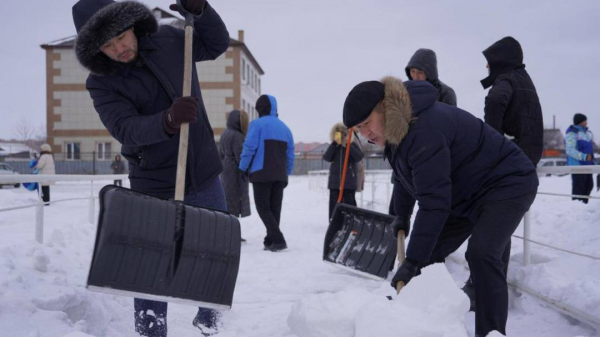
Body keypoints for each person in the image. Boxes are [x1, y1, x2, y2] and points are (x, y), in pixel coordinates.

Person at [71, 0, 230, 335]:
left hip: (202, 172)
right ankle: (151, 328)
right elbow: (125, 128)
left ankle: (209, 316)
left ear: (131, 24)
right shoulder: (101, 82)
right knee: (149, 266)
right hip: (152, 182)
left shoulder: (173, 40)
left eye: (121, 37)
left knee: (215, 253)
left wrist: (200, 12)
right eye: (107, 45)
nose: (119, 49)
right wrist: (167, 121)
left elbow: (215, 44)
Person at [343, 77, 538, 337]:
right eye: (359, 128)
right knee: (429, 252)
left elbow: (434, 202)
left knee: (482, 253)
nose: (365, 134)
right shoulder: (396, 131)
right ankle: (415, 317)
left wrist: (411, 261)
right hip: (465, 192)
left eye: (366, 123)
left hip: (506, 182)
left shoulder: (424, 130)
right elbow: (403, 177)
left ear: (384, 106)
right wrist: (400, 215)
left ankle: (491, 332)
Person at [239, 95, 295, 252]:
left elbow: (249, 148)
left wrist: (243, 167)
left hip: (261, 173)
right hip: (280, 175)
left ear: (259, 109)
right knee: (275, 208)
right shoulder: (285, 128)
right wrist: (287, 172)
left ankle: (278, 239)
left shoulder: (257, 125)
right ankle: (270, 239)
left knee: (263, 207)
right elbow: (290, 154)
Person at [481, 36, 543, 165]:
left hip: (512, 156)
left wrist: (493, 142)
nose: (486, 65)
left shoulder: (506, 78)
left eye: (490, 60)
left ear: (500, 60)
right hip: (527, 156)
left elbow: (495, 100)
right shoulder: (523, 78)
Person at [220, 110, 251, 242]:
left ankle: (229, 232)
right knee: (235, 202)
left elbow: (221, 153)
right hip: (235, 171)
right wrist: (246, 170)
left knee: (229, 201)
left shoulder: (225, 133)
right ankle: (233, 234)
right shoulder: (237, 136)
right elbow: (240, 156)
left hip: (226, 169)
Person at [322, 123, 364, 219]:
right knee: (334, 205)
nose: (341, 136)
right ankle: (334, 223)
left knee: (350, 204)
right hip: (335, 183)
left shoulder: (352, 145)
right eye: (338, 134)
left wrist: (348, 145)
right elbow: (327, 157)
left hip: (349, 181)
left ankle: (352, 222)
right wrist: (334, 144)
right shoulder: (334, 147)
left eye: (343, 134)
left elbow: (359, 157)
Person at [565, 113, 595, 204]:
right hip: (577, 165)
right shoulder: (572, 133)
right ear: (580, 122)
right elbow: (570, 150)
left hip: (588, 165)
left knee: (589, 185)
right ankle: (576, 208)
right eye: (585, 120)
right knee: (579, 189)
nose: (586, 122)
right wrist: (584, 157)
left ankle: (584, 206)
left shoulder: (587, 134)